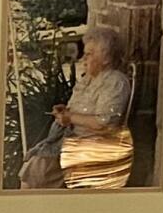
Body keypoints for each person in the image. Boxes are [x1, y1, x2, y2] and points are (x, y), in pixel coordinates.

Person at [19, 19, 137, 190]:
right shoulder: (88, 80)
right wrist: (64, 113)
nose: (83, 58)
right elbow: (77, 113)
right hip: (72, 140)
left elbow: (105, 123)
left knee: (37, 169)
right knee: (34, 165)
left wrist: (71, 117)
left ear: (105, 58)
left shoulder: (114, 82)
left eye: (89, 54)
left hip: (93, 145)